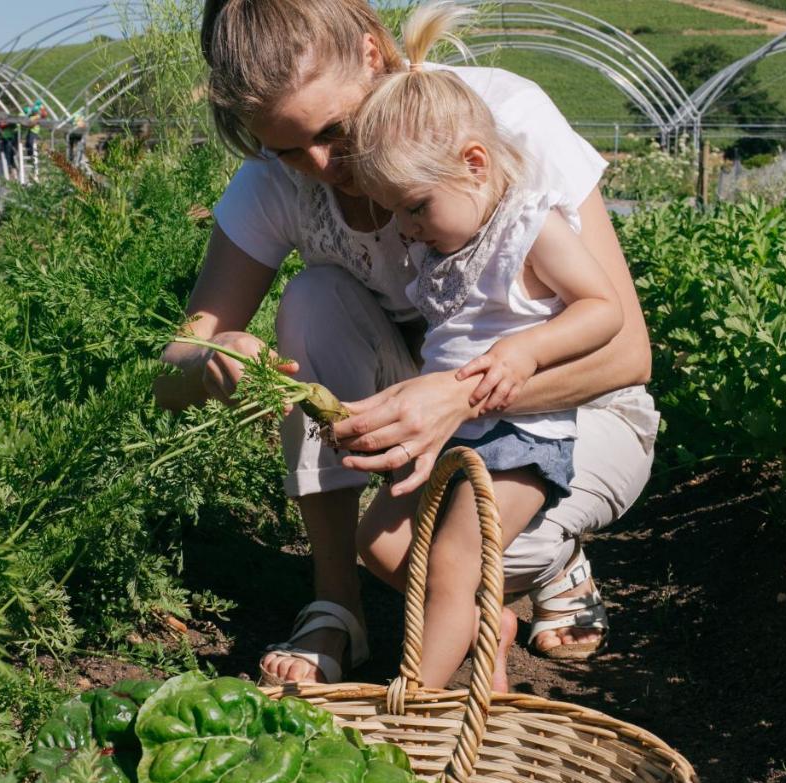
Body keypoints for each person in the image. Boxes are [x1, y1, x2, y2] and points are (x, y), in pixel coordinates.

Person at [154, 0, 658, 686]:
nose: (322, 164)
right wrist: (213, 357)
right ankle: (336, 604)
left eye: (333, 130)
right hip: (445, 414)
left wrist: (460, 397)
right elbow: (170, 369)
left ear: (372, 53)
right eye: (287, 149)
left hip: (572, 409)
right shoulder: (278, 184)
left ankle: (547, 559)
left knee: (459, 553)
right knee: (312, 300)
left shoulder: (493, 121)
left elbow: (628, 351)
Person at [348, 3, 623, 692]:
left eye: (413, 207)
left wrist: (528, 351)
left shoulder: (530, 228)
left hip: (518, 435)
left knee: (453, 558)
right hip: (453, 434)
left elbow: (603, 310)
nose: (404, 230)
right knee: (377, 543)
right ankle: (486, 627)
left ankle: (413, 701)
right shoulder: (446, 243)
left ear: (474, 164)